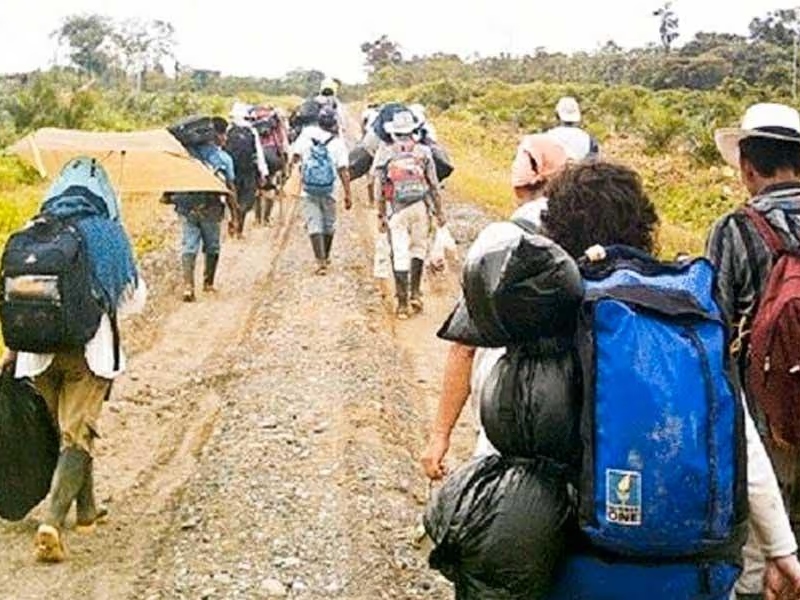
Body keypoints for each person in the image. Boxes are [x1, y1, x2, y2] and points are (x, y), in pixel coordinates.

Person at [425, 160, 800, 598]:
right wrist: (780, 550)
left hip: (575, 569)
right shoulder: (686, 312)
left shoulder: (541, 313)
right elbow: (744, 447)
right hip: (688, 575)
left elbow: (502, 447)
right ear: (645, 228)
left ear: (554, 230)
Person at [1, 161, 146, 563]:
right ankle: (52, 521)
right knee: (77, 433)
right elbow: (133, 300)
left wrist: (12, 352)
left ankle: (86, 509)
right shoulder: (108, 233)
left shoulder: (33, 229)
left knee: (70, 429)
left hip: (35, 352)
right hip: (88, 350)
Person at [422, 133, 569, 467]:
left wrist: (440, 435)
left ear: (517, 186)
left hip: (506, 404)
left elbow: (465, 346)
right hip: (572, 408)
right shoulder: (588, 231)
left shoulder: (498, 238)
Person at [707, 102, 800, 600]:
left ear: (747, 167)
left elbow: (712, 330)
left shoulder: (734, 230)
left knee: (761, 554)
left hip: (762, 417)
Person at [372, 110, 446, 319]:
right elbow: (433, 185)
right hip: (420, 207)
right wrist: (439, 211)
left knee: (399, 251)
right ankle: (415, 293)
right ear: (413, 131)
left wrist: (380, 214)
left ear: (394, 133)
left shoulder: (385, 151)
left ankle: (403, 305)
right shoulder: (423, 151)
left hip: (397, 209)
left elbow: (378, 185)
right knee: (418, 249)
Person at [170, 116, 239, 302]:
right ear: (216, 135)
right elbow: (230, 188)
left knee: (189, 244)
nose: (225, 139)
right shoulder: (222, 157)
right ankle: (208, 283)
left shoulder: (184, 154)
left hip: (186, 206)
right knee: (212, 246)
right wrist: (235, 215)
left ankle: (188, 286)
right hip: (211, 208)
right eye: (224, 134)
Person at [289, 106, 352, 275]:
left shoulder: (305, 138)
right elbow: (344, 170)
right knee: (328, 223)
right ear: (334, 124)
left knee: (313, 223)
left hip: (308, 189)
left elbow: (294, 158)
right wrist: (348, 193)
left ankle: (320, 261)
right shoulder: (338, 143)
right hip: (330, 189)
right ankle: (327, 255)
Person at [227, 102, 269, 238]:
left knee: (233, 198)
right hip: (248, 171)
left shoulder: (228, 130)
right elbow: (259, 153)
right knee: (246, 200)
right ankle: (239, 229)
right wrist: (263, 172)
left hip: (231, 172)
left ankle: (234, 218)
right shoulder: (251, 131)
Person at [546, 96, 600, 161]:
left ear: (557, 115)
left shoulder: (547, 137)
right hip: (582, 170)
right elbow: (593, 163)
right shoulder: (589, 139)